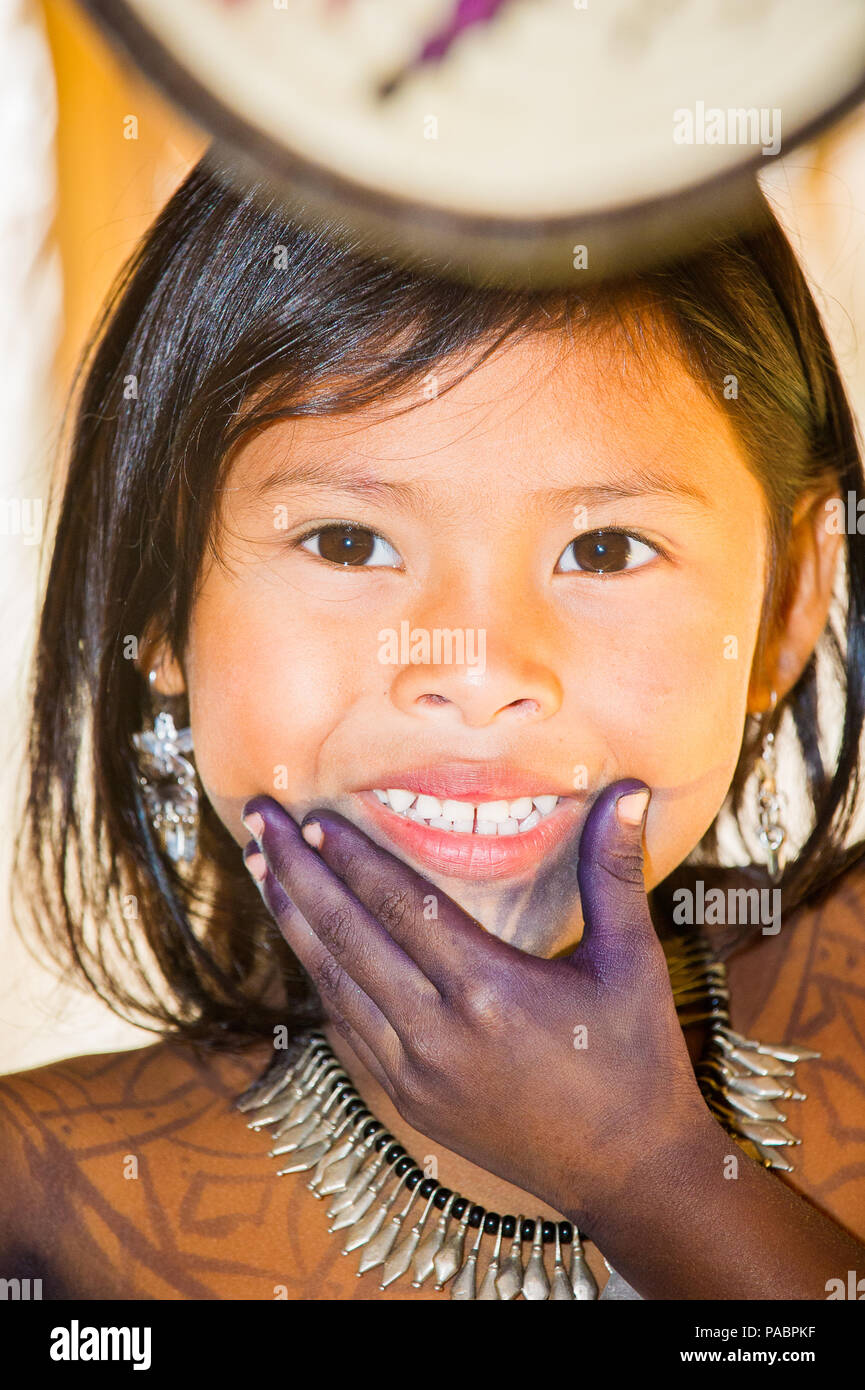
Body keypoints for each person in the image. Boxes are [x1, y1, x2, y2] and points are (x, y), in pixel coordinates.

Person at [1, 149, 864, 1300]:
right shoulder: (49, 1204)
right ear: (159, 597)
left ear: (787, 604)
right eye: (348, 542)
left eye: (601, 550)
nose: (476, 671)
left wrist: (656, 1176)